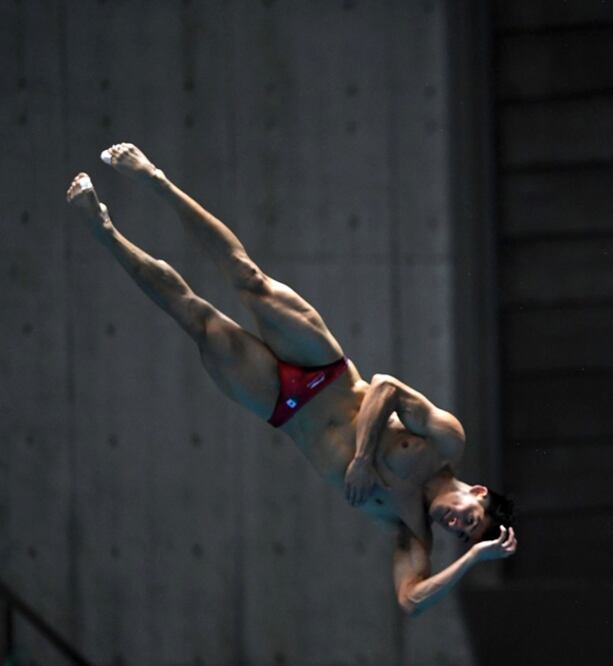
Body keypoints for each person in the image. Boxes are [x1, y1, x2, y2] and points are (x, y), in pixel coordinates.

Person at [65, 144, 516, 617]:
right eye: (469, 519)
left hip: (280, 405)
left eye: (461, 535)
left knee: (196, 319)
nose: (455, 524)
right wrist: (363, 459)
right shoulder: (446, 441)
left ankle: (105, 232)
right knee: (248, 276)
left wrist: (473, 559)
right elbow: (386, 386)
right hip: (325, 370)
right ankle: (155, 178)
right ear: (477, 493)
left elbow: (411, 601)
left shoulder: (406, 526)